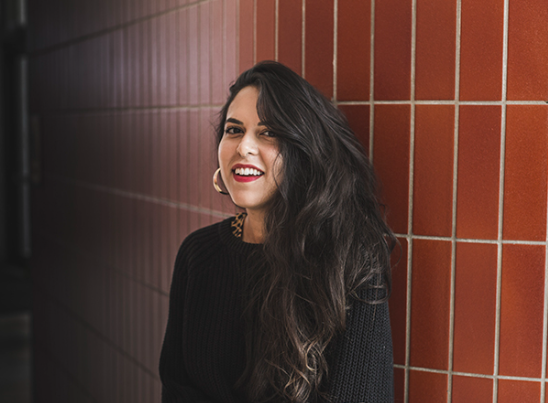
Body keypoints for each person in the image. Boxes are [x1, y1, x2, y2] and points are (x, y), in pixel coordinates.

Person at [159, 61, 396, 403]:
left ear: (303, 150)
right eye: (234, 130)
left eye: (268, 132)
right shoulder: (198, 253)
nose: (244, 147)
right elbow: (176, 387)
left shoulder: (348, 261)